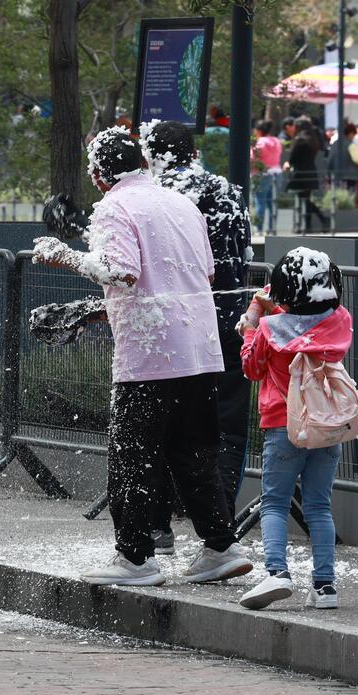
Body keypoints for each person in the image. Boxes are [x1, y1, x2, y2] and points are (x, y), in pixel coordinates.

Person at [33, 127, 252, 587]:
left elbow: (122, 272)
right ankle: (220, 546)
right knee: (195, 453)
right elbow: (204, 275)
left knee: (132, 456)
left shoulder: (114, 206)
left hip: (150, 355)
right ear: (144, 164)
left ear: (98, 175)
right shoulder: (181, 203)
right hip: (200, 348)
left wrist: (64, 256)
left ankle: (135, 557)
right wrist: (103, 311)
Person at [140, 120, 253, 553]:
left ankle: (157, 525)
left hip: (176, 327)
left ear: (152, 157)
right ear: (192, 152)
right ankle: (221, 529)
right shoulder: (228, 192)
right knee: (226, 430)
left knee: (161, 424)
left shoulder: (155, 197)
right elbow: (242, 255)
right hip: (229, 321)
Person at [236, 247, 352, 611]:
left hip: (283, 426)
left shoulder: (269, 329)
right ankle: (325, 586)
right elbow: (303, 325)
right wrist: (276, 308)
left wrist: (251, 327)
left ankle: (278, 573)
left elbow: (252, 368)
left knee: (275, 502)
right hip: (325, 427)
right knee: (319, 506)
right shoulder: (339, 321)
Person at [285, 120, 328, 232]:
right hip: (310, 172)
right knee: (306, 199)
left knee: (303, 200)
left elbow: (292, 157)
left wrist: (287, 164)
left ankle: (307, 224)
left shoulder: (300, 140)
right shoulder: (313, 140)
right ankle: (310, 224)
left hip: (300, 173)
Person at [251, 121, 282, 234]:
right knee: (272, 202)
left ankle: (259, 229)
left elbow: (252, 158)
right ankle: (272, 228)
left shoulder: (259, 142)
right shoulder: (277, 141)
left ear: (259, 131)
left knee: (260, 202)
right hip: (277, 173)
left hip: (261, 174)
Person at [327, 122, 358, 191]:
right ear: (351, 133)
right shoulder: (351, 145)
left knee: (339, 194)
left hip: (337, 175)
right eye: (354, 135)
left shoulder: (335, 144)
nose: (353, 137)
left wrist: (328, 172)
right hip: (351, 176)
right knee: (350, 194)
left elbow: (330, 159)